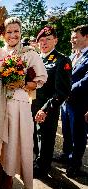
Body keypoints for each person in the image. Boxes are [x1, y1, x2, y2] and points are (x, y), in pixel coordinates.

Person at [0, 7, 47, 189]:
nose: (13, 35)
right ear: (3, 34)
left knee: (12, 145)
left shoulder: (30, 53)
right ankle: (1, 183)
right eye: (9, 32)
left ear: (21, 33)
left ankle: (6, 184)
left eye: (16, 31)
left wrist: (21, 83)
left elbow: (39, 80)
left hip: (17, 106)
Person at [32, 26, 72, 178]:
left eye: (48, 39)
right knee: (36, 137)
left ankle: (42, 169)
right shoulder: (37, 58)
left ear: (55, 40)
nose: (44, 43)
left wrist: (45, 109)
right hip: (33, 105)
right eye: (41, 40)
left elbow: (62, 91)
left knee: (45, 139)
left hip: (47, 108)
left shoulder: (62, 60)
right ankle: (38, 161)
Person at [65, 24, 88, 177]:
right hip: (66, 103)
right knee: (67, 131)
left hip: (81, 103)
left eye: (75, 37)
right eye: (71, 37)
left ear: (86, 37)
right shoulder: (73, 55)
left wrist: (67, 90)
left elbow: (87, 80)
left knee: (78, 135)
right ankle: (67, 155)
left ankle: (75, 164)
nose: (72, 40)